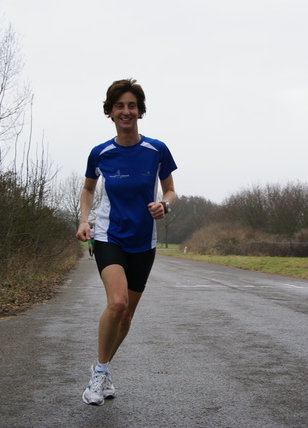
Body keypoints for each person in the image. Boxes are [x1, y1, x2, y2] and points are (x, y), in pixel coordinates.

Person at [75, 78, 177, 405]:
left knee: (127, 316)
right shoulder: (100, 153)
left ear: (140, 111)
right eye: (120, 106)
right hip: (108, 235)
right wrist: (83, 220)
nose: (126, 111)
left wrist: (165, 204)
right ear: (110, 112)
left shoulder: (156, 150)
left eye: (132, 105)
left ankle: (102, 369)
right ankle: (98, 374)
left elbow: (171, 189)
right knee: (116, 303)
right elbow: (89, 189)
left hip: (143, 241)